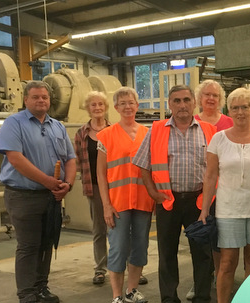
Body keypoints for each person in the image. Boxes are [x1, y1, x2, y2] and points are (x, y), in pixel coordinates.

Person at [133, 85, 216, 303]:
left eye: (186, 100)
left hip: (200, 201)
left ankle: (202, 296)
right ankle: (169, 298)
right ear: (170, 104)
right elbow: (143, 164)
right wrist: (153, 193)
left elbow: (218, 167)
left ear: (194, 103)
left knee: (202, 254)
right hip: (168, 202)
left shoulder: (209, 130)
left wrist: (208, 201)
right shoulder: (157, 129)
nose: (182, 105)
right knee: (167, 253)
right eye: (177, 101)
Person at [0, 81, 76, 303]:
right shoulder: (14, 123)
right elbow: (16, 159)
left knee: (47, 243)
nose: (41, 100)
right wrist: (50, 182)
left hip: (51, 197)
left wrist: (67, 184)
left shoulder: (57, 126)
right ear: (26, 100)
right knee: (29, 245)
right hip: (24, 196)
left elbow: (70, 158)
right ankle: (27, 294)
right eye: (36, 97)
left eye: (45, 97)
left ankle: (41, 288)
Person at [198, 87, 250, 303]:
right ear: (229, 111)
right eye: (235, 108)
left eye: (244, 107)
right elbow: (211, 176)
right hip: (228, 210)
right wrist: (205, 209)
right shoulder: (218, 139)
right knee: (227, 263)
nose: (240, 112)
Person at [96, 87, 153, 303]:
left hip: (143, 201)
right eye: (123, 103)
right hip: (118, 202)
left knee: (140, 246)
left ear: (137, 106)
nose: (128, 106)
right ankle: (117, 296)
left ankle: (131, 290)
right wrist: (106, 205)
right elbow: (101, 174)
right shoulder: (106, 136)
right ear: (116, 107)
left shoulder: (148, 134)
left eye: (131, 102)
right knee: (118, 247)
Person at [186, 80, 231, 300]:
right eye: (206, 95)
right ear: (199, 99)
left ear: (220, 99)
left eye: (215, 95)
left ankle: (217, 276)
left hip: (226, 191)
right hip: (199, 191)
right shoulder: (191, 122)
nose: (211, 99)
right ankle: (200, 281)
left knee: (219, 239)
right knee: (201, 239)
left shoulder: (229, 122)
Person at [74, 91, 111, 285]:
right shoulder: (81, 133)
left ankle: (128, 267)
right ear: (88, 108)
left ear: (105, 107)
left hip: (116, 187)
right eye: (93, 105)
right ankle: (100, 269)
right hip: (95, 188)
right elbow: (79, 161)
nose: (97, 108)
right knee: (99, 229)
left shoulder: (115, 131)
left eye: (100, 104)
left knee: (121, 229)